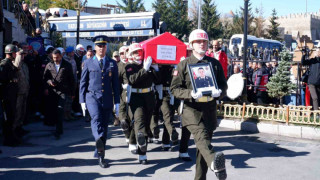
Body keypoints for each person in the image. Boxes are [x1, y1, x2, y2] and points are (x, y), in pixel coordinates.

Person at [170, 29, 227, 180]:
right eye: (198, 41)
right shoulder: (183, 65)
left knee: (203, 148)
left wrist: (219, 92)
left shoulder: (214, 64)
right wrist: (190, 94)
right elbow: (174, 89)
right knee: (201, 137)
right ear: (192, 44)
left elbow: (224, 85)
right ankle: (215, 162)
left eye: (204, 41)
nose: (202, 44)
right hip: (191, 109)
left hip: (209, 109)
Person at [79, 35, 120, 168]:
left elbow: (115, 84)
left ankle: (101, 155)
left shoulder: (112, 63)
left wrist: (117, 102)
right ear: (95, 47)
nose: (101, 48)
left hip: (107, 98)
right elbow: (83, 82)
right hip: (92, 97)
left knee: (104, 126)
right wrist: (82, 101)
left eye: (104, 45)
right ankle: (98, 138)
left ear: (106, 47)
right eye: (99, 46)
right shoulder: (88, 62)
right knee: (96, 118)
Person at [125, 43, 160, 164]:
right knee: (139, 123)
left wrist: (155, 69)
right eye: (135, 52)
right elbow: (132, 80)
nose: (138, 54)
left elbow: (158, 80)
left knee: (146, 123)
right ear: (131, 54)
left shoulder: (148, 64)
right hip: (136, 97)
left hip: (149, 97)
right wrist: (145, 69)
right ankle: (141, 151)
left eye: (139, 52)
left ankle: (141, 152)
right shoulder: (129, 67)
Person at [43, 50, 75, 139]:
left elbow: (71, 79)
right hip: (53, 91)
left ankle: (58, 130)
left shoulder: (67, 65)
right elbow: (45, 77)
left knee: (60, 109)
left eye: (57, 57)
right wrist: (49, 83)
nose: (55, 59)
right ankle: (54, 125)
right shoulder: (49, 65)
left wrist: (72, 92)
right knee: (54, 109)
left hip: (63, 91)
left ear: (61, 56)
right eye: (54, 57)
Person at [0, 44, 21, 146]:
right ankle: (8, 139)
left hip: (11, 95)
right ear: (12, 53)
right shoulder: (4, 64)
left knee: (11, 117)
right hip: (7, 96)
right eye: (15, 53)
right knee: (8, 118)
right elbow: (2, 81)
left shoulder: (10, 64)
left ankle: (11, 137)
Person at [301, 44, 320, 110]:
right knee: (315, 97)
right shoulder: (313, 60)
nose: (318, 53)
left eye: (319, 52)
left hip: (318, 83)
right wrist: (304, 54)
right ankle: (316, 114)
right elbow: (303, 62)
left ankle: (315, 111)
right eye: (317, 52)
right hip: (311, 82)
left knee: (317, 98)